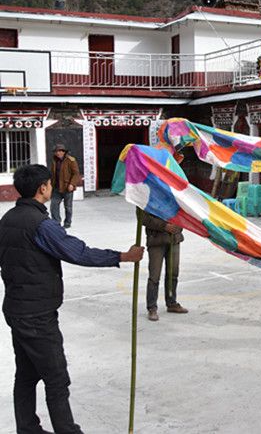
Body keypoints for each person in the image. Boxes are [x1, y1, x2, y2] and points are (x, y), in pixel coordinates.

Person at [0, 164, 144, 434]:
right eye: (50, 184)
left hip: (16, 309)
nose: (51, 188)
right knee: (56, 378)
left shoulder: (7, 219)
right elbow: (78, 252)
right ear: (43, 188)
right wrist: (122, 256)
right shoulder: (42, 225)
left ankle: (27, 428)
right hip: (37, 315)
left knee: (27, 374)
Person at [141, 210, 188, 322]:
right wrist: (165, 226)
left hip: (174, 239)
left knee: (173, 273)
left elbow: (182, 212)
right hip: (156, 240)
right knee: (154, 276)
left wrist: (178, 226)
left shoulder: (175, 198)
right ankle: (152, 307)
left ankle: (171, 302)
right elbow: (143, 218)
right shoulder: (148, 200)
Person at [50, 143, 80, 229]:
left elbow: (76, 173)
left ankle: (67, 222)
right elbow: (52, 173)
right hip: (56, 187)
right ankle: (56, 222)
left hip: (67, 187)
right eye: (56, 151)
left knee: (68, 207)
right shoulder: (54, 160)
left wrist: (72, 184)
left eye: (60, 151)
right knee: (54, 206)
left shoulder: (71, 160)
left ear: (64, 152)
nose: (58, 153)